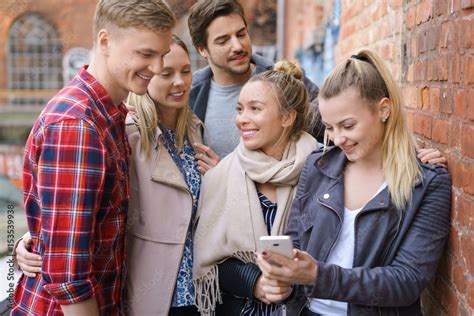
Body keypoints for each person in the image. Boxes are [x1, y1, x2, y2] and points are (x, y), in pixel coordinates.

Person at [255, 50, 452, 316]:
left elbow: (407, 280)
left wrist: (317, 276)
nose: (337, 139)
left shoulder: (425, 183)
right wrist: (283, 278)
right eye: (330, 127)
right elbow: (296, 242)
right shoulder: (317, 167)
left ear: (383, 110)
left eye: (348, 126)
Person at [11, 1, 175, 315]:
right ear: (104, 41)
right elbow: (69, 278)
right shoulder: (78, 125)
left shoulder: (109, 115)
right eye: (145, 54)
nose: (157, 67)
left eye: (162, 54)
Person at [193, 60, 317, 316]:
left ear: (287, 117)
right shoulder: (220, 178)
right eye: (240, 109)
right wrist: (253, 281)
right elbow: (206, 261)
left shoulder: (321, 170)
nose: (241, 120)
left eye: (255, 109)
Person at [123, 35, 210, 316]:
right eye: (167, 73)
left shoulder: (195, 130)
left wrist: (220, 177)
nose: (180, 82)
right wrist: (27, 241)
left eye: (186, 71)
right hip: (153, 293)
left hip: (200, 293)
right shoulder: (130, 134)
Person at [187, 0, 323, 158]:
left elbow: (329, 128)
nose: (238, 46)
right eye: (223, 41)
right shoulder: (190, 94)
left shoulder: (284, 80)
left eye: (241, 34)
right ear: (202, 50)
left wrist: (223, 174)